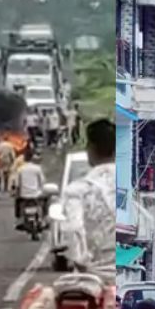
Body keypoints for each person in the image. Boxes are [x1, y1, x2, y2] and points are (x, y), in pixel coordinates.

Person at [58, 118, 115, 283]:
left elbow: (74, 229)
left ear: (91, 148)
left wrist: (81, 262)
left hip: (92, 280)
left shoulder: (77, 190)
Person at [14, 150, 46, 227]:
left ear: (24, 158)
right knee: (45, 201)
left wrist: (17, 194)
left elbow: (17, 184)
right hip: (36, 194)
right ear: (32, 158)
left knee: (17, 203)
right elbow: (42, 181)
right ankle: (43, 218)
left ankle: (20, 218)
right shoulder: (37, 168)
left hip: (24, 195)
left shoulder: (20, 169)